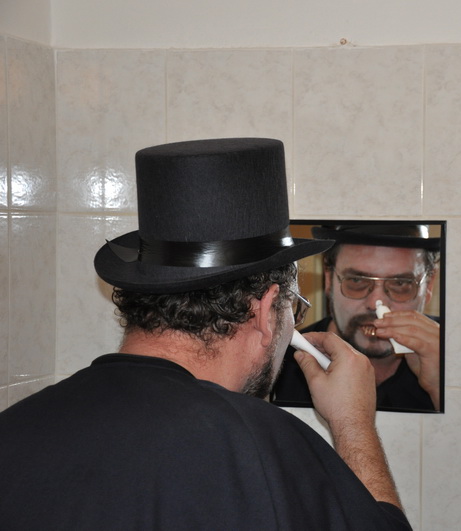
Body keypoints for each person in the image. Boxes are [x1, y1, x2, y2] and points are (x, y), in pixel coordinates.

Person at [0, 138, 411, 530]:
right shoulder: (262, 448)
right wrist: (353, 424)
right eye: (295, 309)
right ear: (265, 310)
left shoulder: (15, 430)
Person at [271, 224, 442, 412]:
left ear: (429, 285)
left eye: (400, 284)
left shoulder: (451, 353)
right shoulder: (284, 361)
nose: (375, 303)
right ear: (328, 279)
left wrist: (441, 386)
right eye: (356, 281)